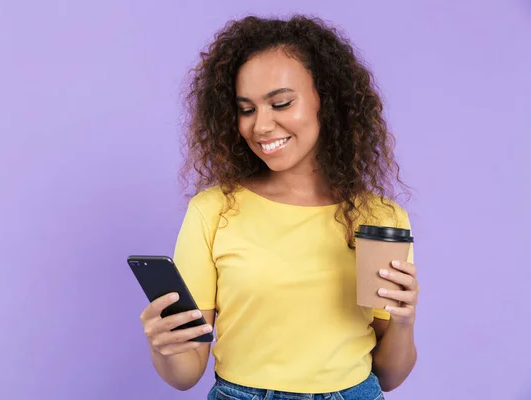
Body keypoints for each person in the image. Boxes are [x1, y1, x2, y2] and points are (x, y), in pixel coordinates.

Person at [139, 14, 419, 400]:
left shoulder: (379, 218)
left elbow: (388, 376)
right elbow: (186, 373)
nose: (262, 126)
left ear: (328, 99)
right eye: (247, 109)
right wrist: (162, 344)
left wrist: (404, 321)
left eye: (281, 103)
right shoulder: (214, 211)